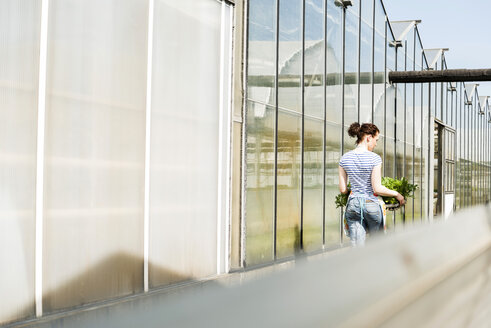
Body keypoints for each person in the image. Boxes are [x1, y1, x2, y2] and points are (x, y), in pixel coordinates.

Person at [338, 122, 405, 246]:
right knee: (376, 246)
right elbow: (377, 188)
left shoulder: (344, 158)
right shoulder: (374, 158)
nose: (376, 144)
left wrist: (351, 192)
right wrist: (397, 194)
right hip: (371, 204)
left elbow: (342, 189)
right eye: (376, 140)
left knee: (357, 247)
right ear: (369, 137)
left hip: (353, 205)